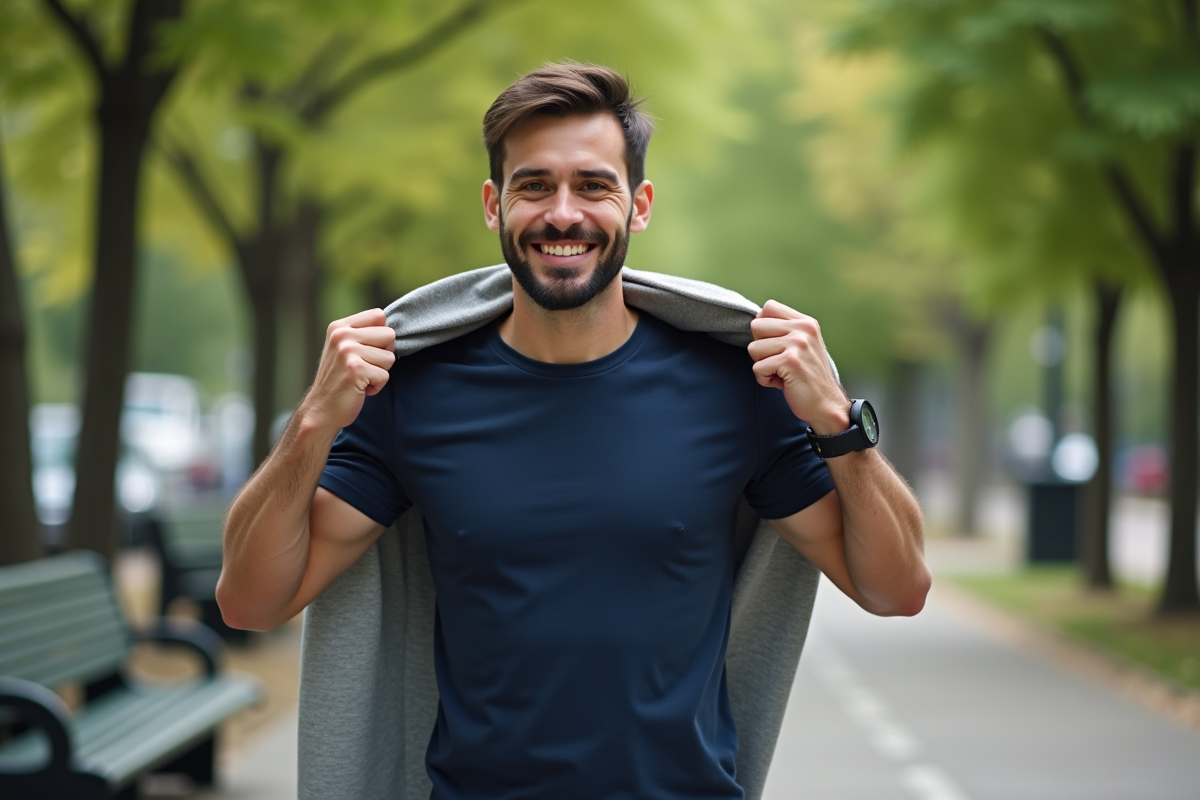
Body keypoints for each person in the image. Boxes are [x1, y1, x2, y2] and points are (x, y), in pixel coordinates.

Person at [218, 62, 930, 800]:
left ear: (640, 204)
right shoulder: (414, 395)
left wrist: (837, 423)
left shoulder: (736, 389)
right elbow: (251, 602)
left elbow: (895, 589)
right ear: (494, 205)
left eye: (593, 185)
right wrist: (312, 425)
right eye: (534, 186)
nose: (564, 214)